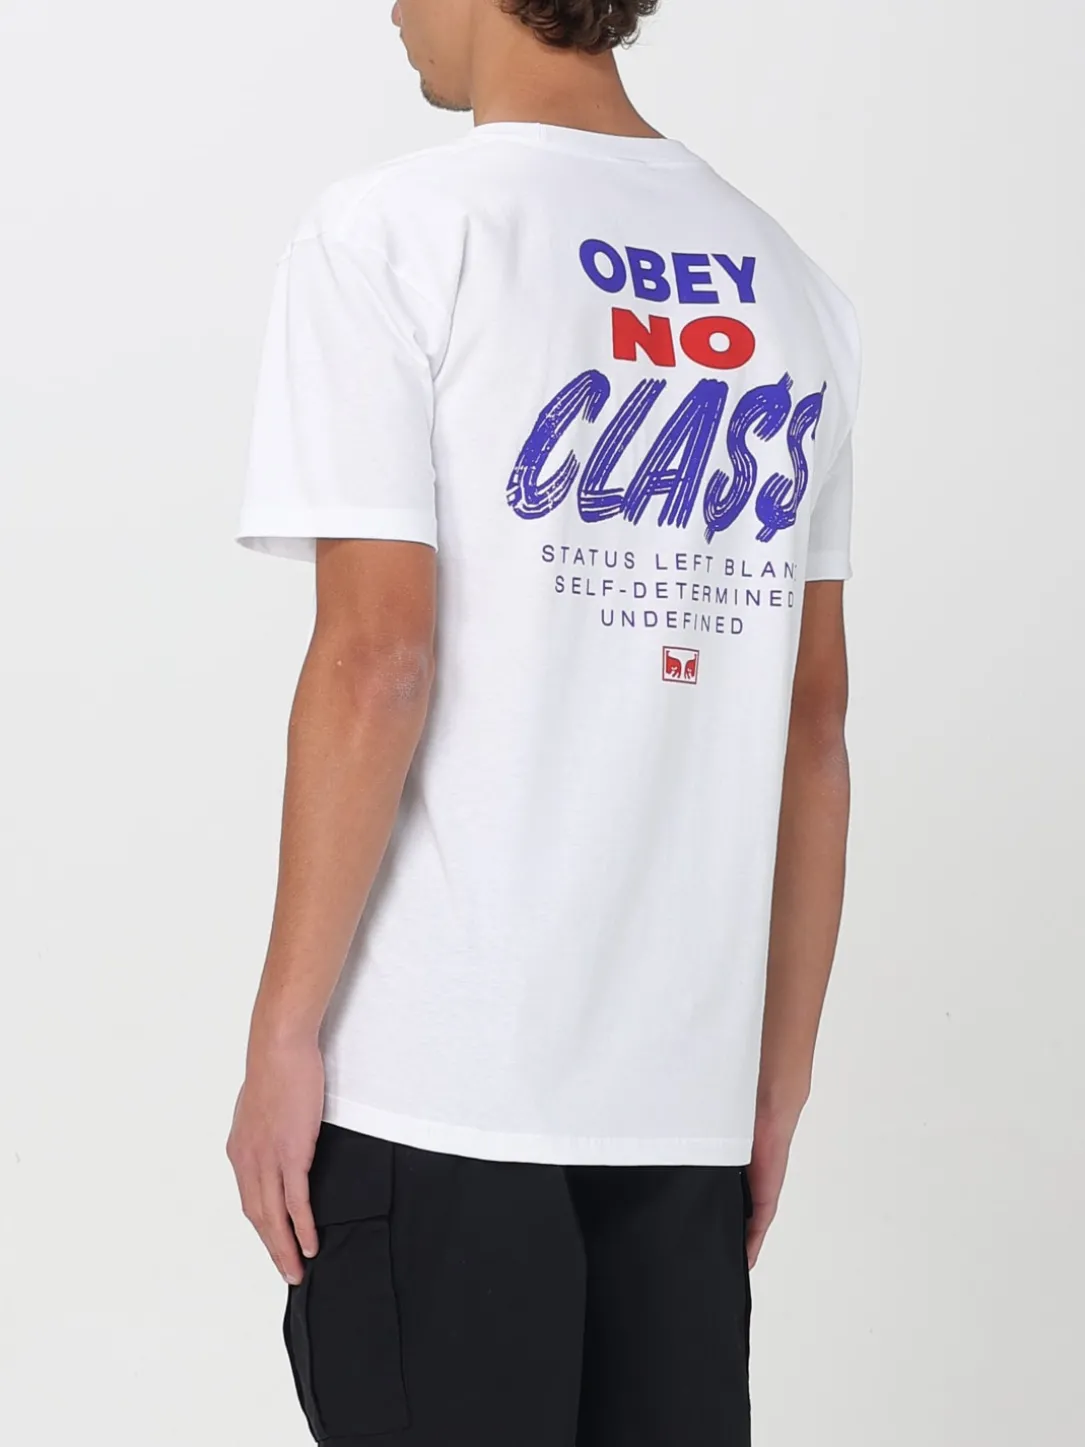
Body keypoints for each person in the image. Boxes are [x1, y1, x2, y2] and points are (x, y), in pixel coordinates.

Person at [228, 1, 859, 1442]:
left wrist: (282, 1035)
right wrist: (774, 1084)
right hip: (683, 1111)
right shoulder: (791, 285)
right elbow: (814, 725)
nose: (391, 9)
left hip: (439, 1096)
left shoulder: (393, 236)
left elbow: (378, 658)